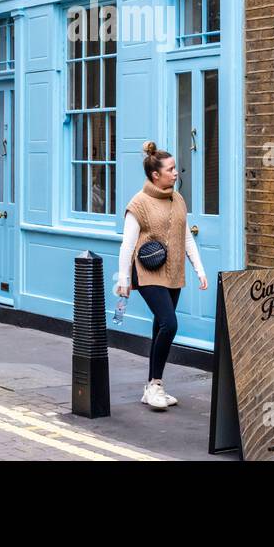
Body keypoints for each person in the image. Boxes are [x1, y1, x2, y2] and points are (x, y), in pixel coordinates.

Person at [116, 141, 208, 411]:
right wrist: (123, 280)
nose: (176, 172)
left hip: (174, 272)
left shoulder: (177, 199)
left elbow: (186, 237)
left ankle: (152, 388)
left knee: (160, 325)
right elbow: (127, 244)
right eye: (170, 169)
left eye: (175, 168)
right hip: (147, 272)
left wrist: (199, 269)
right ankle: (155, 384)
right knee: (170, 324)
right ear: (155, 175)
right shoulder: (139, 204)